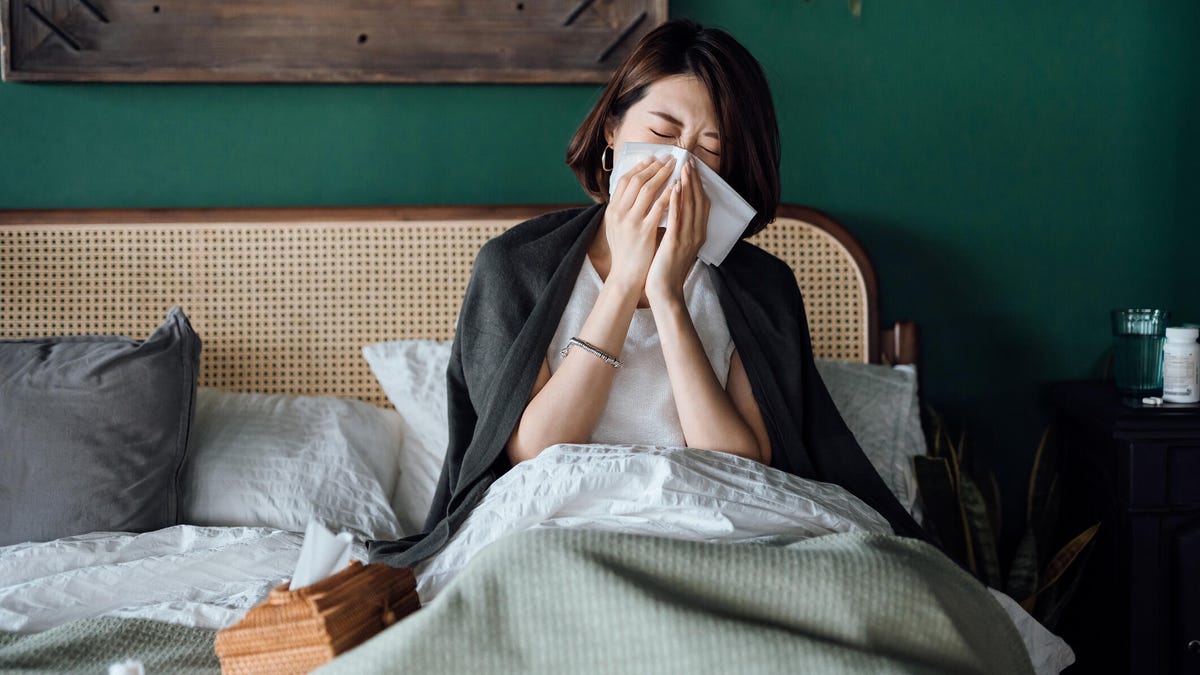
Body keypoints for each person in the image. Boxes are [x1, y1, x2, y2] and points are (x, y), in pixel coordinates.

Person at [369, 19, 924, 569]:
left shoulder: (762, 287)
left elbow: (740, 462)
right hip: (557, 531)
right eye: (662, 134)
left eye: (710, 150)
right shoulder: (514, 268)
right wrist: (625, 279)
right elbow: (536, 451)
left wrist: (667, 294)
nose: (682, 166)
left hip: (715, 530)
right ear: (613, 129)